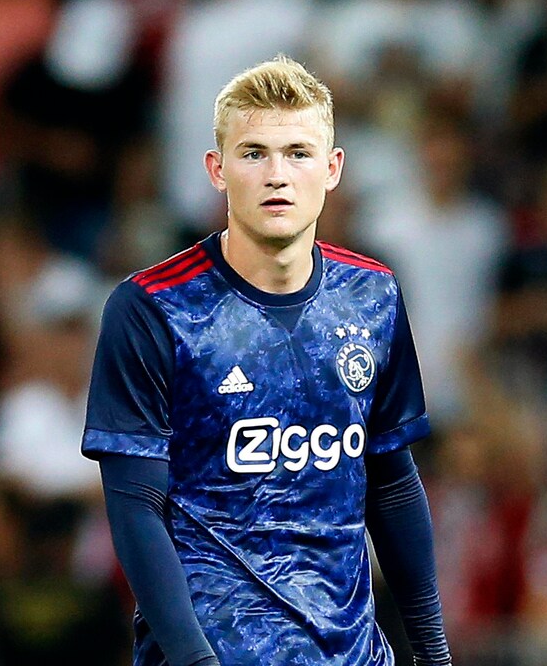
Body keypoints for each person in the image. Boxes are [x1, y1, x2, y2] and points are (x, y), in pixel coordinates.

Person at [81, 55, 452, 666]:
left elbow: (391, 481)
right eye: (254, 153)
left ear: (332, 169)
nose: (277, 174)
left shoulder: (373, 296)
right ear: (217, 169)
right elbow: (135, 505)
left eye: (298, 153)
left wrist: (434, 653)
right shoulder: (153, 309)